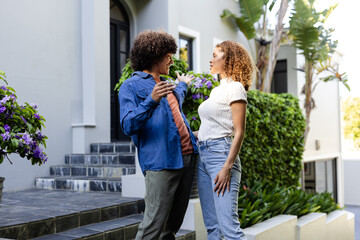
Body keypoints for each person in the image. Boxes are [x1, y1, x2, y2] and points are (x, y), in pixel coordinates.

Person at [119, 30, 197, 240]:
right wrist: (150, 100)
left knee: (171, 225)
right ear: (154, 55)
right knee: (153, 224)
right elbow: (128, 125)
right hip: (161, 162)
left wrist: (183, 85)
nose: (172, 60)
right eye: (168, 55)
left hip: (187, 158)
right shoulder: (131, 86)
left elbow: (175, 100)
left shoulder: (168, 85)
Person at [196, 41, 255, 240]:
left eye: (215, 55)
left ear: (228, 59)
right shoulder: (216, 90)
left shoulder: (236, 88)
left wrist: (227, 167)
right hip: (203, 155)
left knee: (229, 230)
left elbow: (239, 131)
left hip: (221, 156)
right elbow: (211, 126)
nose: (210, 59)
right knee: (213, 228)